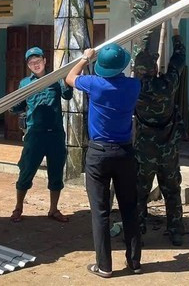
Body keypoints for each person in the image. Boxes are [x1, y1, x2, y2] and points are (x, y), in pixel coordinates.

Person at [66, 44, 142, 278]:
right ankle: (134, 262)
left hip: (99, 154)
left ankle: (105, 266)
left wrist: (85, 58)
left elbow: (70, 78)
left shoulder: (95, 84)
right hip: (125, 153)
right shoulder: (134, 85)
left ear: (101, 67)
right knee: (129, 209)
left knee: (100, 212)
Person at [133, 15, 186, 246]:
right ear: (154, 68)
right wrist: (175, 29)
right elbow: (179, 59)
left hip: (144, 149)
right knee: (172, 191)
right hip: (168, 148)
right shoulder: (168, 84)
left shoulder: (132, 89)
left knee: (139, 193)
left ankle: (138, 229)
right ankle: (175, 231)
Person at [9, 46, 72, 223]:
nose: (35, 65)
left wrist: (66, 81)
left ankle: (53, 209)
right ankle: (18, 208)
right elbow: (18, 106)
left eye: (38, 61)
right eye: (31, 62)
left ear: (45, 61)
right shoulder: (24, 84)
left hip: (55, 134)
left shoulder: (56, 79)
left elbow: (67, 96)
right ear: (28, 65)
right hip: (34, 135)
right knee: (26, 171)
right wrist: (9, 104)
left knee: (56, 172)